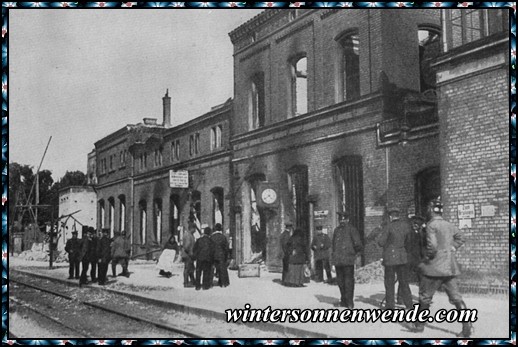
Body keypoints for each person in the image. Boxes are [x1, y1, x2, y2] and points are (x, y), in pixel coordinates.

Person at [412, 198, 473, 337]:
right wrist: (452, 247)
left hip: (433, 267)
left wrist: (427, 258)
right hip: (449, 267)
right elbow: (461, 237)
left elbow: (432, 246)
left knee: (425, 297)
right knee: (457, 298)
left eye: (428, 209)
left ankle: (419, 326)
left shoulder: (431, 225)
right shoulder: (449, 225)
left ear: (431, 210)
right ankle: (467, 328)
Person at [377, 207, 413, 310]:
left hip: (390, 259)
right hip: (402, 258)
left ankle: (390, 307)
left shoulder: (388, 227)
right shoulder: (406, 226)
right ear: (398, 215)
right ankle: (409, 305)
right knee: (404, 283)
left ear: (390, 216)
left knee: (389, 283)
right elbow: (409, 242)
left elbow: (381, 242)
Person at [331, 211, 363, 308]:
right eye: (341, 219)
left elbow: (358, 244)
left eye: (344, 219)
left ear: (347, 219)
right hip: (339, 260)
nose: (342, 221)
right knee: (341, 281)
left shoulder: (351, 230)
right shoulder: (337, 230)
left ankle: (349, 302)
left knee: (347, 281)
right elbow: (333, 246)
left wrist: (356, 254)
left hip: (347, 260)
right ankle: (344, 301)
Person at [193, 226, 215, 290]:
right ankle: (205, 286)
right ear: (210, 233)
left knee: (198, 271)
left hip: (199, 258)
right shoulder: (211, 241)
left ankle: (197, 286)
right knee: (206, 272)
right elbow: (212, 251)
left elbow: (195, 249)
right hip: (207, 259)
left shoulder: (199, 240)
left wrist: (196, 256)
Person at [211, 223, 230, 287]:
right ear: (220, 229)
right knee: (222, 269)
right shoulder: (223, 237)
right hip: (221, 255)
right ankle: (223, 283)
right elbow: (226, 248)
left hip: (213, 255)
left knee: (212, 268)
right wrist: (226, 256)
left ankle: (209, 283)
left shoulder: (212, 237)